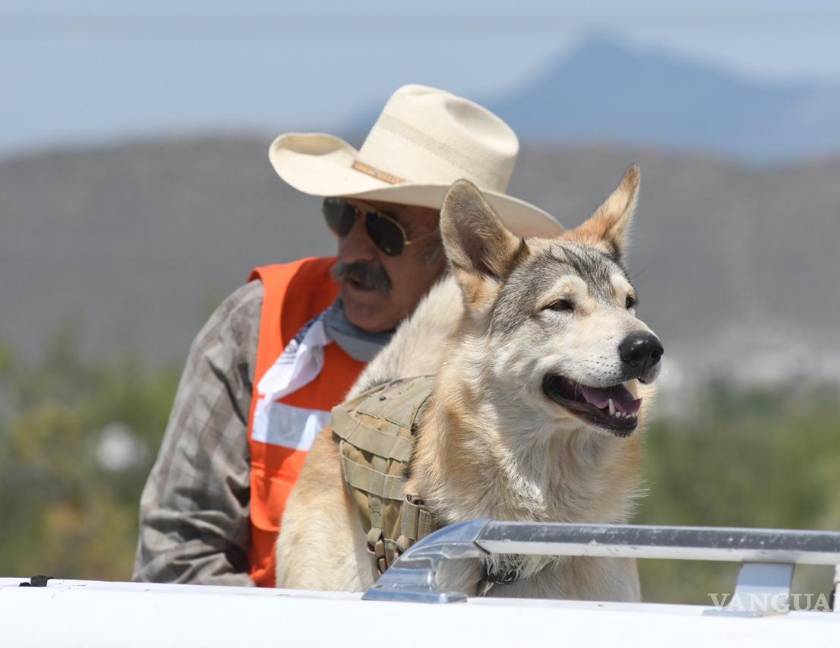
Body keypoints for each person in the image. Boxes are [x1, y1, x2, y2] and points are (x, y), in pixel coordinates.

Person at [132, 84, 562, 587]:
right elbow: (176, 557)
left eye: (386, 232)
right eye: (343, 215)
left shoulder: (522, 380)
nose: (354, 251)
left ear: (463, 257)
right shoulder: (255, 324)